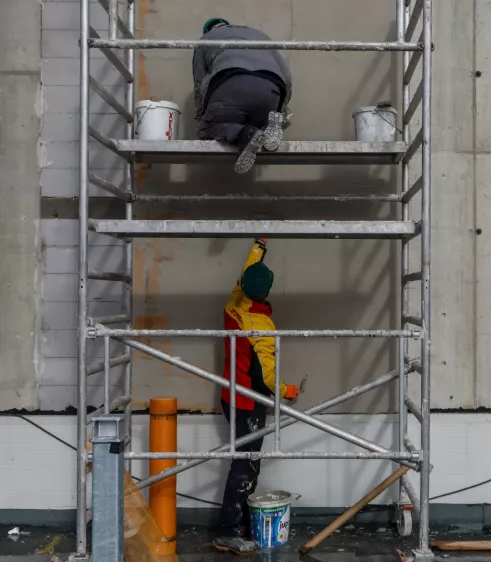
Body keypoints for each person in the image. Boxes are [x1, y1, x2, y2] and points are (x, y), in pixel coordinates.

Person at [214, 238, 301, 554]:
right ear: (267, 292)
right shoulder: (261, 326)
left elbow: (245, 273)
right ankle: (228, 530)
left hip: (229, 395)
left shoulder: (234, 302)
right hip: (250, 402)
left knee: (246, 461)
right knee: (245, 464)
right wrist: (288, 391)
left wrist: (259, 246)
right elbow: (267, 377)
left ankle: (240, 523)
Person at [193, 18, 293, 174]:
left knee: (206, 130)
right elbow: (286, 77)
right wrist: (282, 109)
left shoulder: (205, 40)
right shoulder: (261, 35)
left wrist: (203, 117)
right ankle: (269, 127)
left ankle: (245, 134)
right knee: (257, 124)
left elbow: (199, 85)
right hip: (272, 88)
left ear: (209, 30)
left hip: (231, 84)